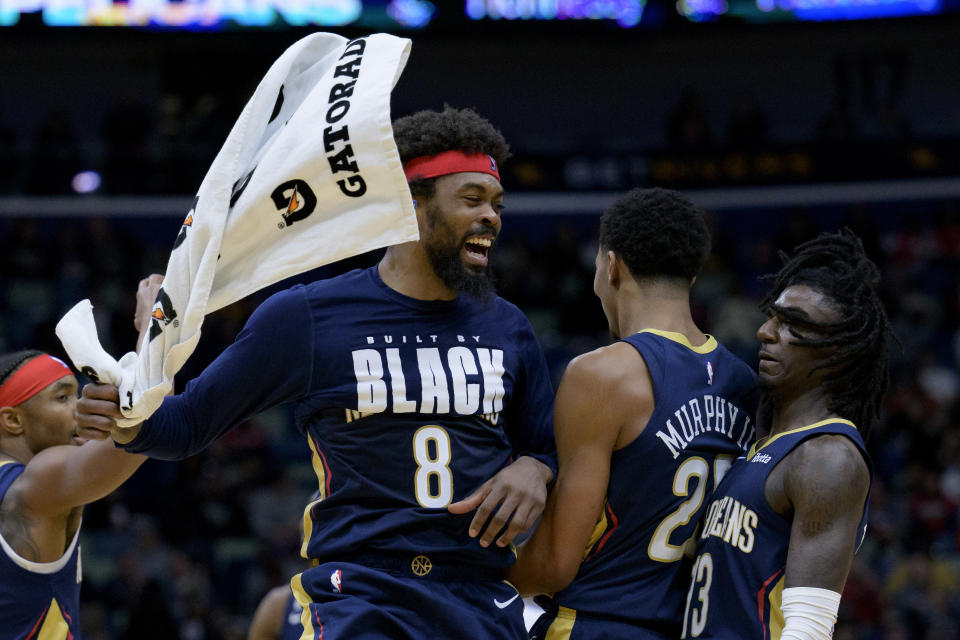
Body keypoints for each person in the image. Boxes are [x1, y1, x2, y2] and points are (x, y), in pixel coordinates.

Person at [76, 106, 557, 639]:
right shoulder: (306, 317)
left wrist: (536, 466)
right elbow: (185, 425)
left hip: (480, 594)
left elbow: (550, 446)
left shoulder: (509, 326)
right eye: (472, 200)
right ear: (410, 204)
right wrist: (125, 414)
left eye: (496, 204)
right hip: (362, 593)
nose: (492, 216)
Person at [507, 188, 758, 639]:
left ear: (611, 265)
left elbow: (554, 566)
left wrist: (476, 581)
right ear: (694, 276)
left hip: (598, 624)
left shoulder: (602, 374)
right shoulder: (743, 382)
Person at [680, 229, 892, 639]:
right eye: (774, 316)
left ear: (839, 353)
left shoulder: (828, 457)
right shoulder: (763, 447)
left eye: (793, 324)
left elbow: (808, 629)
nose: (767, 332)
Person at [0, 276, 159, 636]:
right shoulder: (37, 483)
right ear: (12, 420)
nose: (81, 406)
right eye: (63, 398)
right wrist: (154, 319)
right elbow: (146, 417)